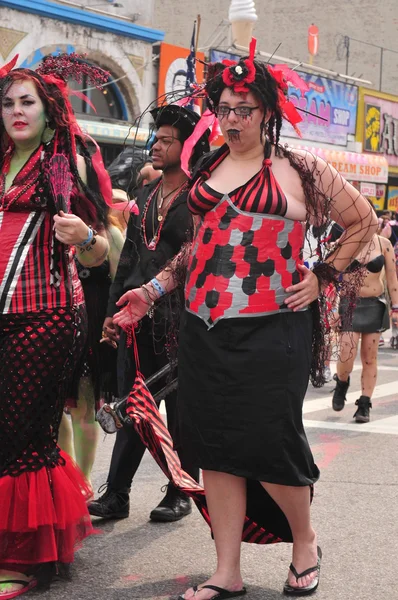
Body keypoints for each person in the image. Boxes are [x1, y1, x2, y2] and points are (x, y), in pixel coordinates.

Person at [112, 42, 377, 599]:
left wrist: (324, 274)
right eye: (225, 108)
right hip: (204, 328)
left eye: (245, 108)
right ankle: (226, 570)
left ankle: (304, 541)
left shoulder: (302, 169)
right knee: (213, 449)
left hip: (273, 327)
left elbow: (363, 220)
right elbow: (196, 250)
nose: (233, 119)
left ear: (266, 112)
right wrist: (151, 290)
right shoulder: (207, 167)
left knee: (270, 440)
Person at [0, 54, 113, 598]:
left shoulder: (63, 165)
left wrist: (84, 238)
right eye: (8, 103)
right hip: (2, 315)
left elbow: (102, 255)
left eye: (28, 103)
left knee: (24, 434)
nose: (17, 112)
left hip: (46, 318)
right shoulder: (0, 164)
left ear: (49, 112)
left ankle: (24, 556)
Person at [88, 104, 210, 522]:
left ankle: (180, 491)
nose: (156, 146)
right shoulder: (143, 196)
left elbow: (201, 261)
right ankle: (117, 494)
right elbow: (127, 262)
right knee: (132, 405)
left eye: (166, 140)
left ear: (187, 146)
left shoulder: (200, 200)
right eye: (155, 138)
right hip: (134, 320)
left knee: (179, 412)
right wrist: (111, 312)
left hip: (180, 322)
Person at [58, 218, 124, 485]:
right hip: (55, 329)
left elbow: (121, 285)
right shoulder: (51, 229)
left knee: (83, 408)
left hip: (92, 330)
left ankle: (81, 483)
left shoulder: (110, 231)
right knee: (53, 411)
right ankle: (65, 480)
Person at [332, 233, 398, 422]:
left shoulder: (384, 244)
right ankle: (342, 382)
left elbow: (392, 279)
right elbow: (332, 278)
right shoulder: (344, 241)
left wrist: (396, 308)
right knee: (346, 352)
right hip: (348, 303)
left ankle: (364, 403)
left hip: (374, 305)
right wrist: (334, 309)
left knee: (370, 357)